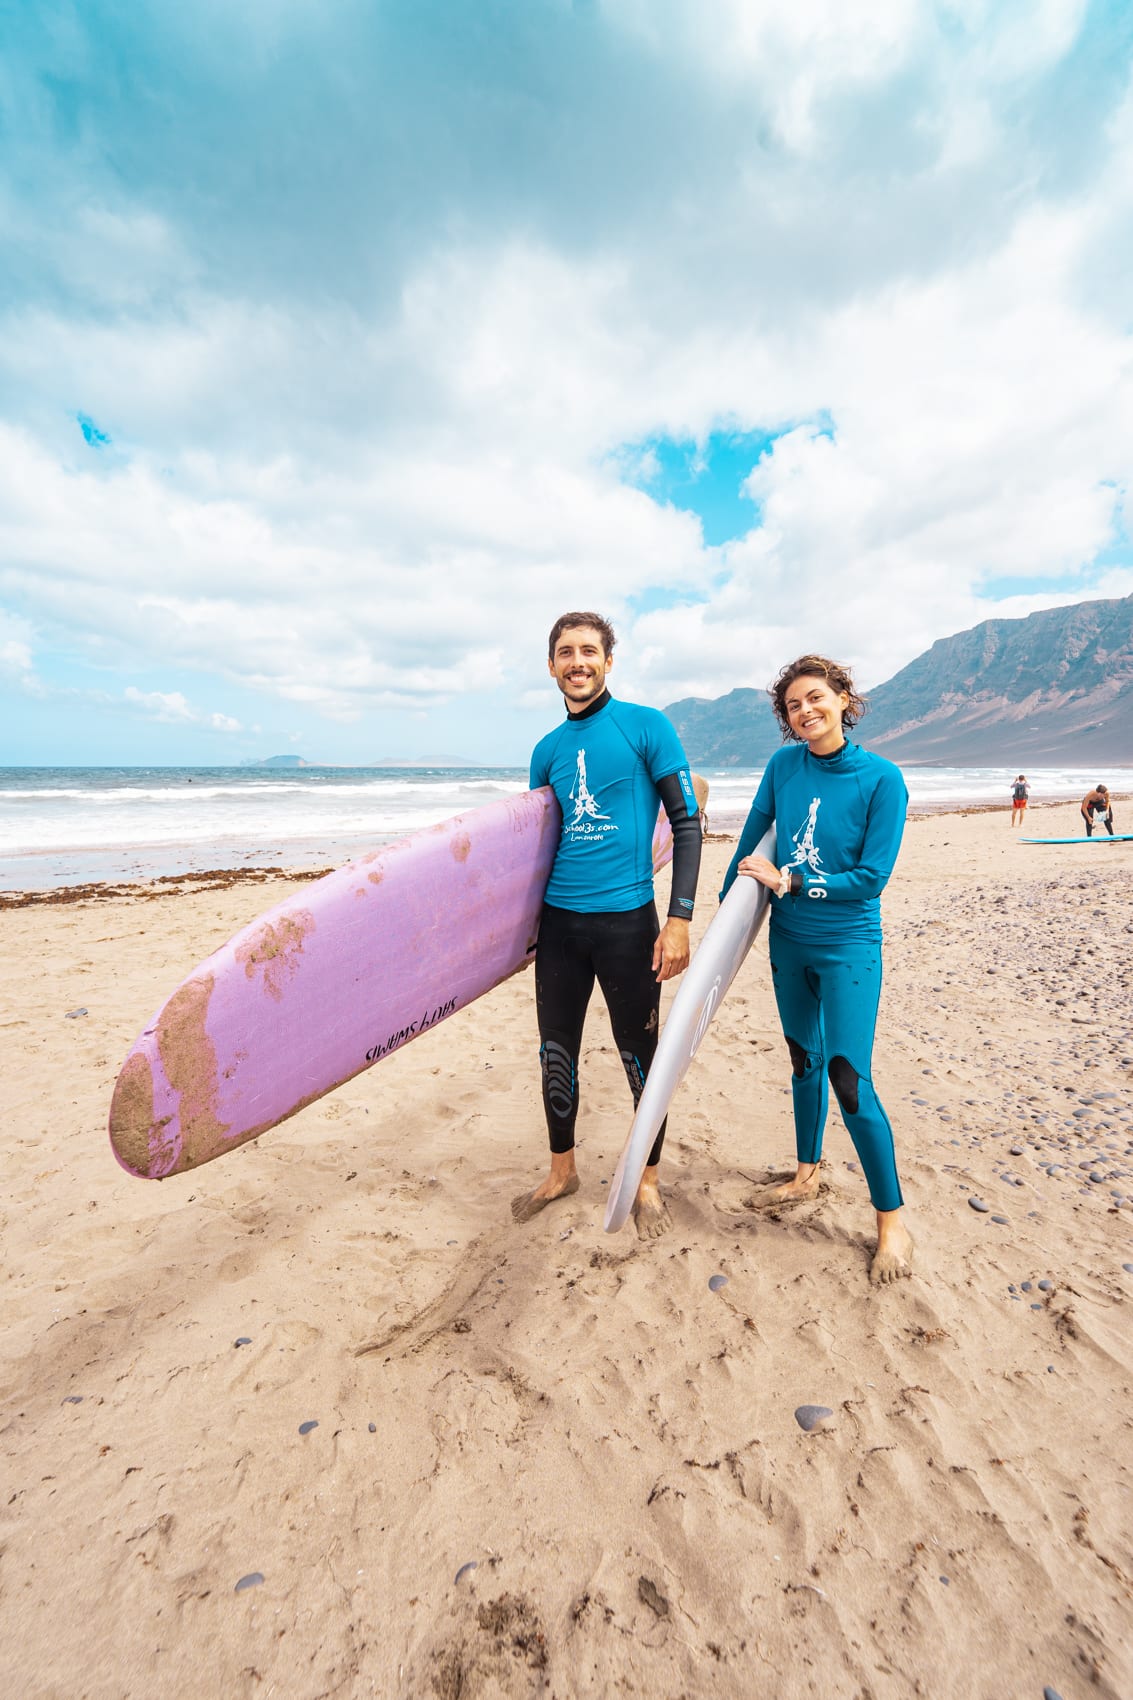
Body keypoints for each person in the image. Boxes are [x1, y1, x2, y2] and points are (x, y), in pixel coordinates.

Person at [720, 654, 913, 1284]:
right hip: (789, 944)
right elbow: (752, 844)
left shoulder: (882, 780)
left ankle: (892, 1222)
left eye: (815, 698)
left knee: (848, 1080)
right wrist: (720, 924)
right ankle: (806, 1173)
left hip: (848, 947)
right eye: (793, 705)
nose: (805, 710)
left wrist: (794, 881)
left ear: (843, 698)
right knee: (803, 1058)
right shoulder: (783, 767)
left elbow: (871, 880)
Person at [513, 612, 702, 1239]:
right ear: (551, 665)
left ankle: (646, 1176)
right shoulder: (546, 750)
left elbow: (686, 824)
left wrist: (678, 921)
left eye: (588, 651)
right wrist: (519, 937)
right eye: (565, 652)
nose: (577, 662)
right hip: (560, 928)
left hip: (628, 924)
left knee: (639, 1055)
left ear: (609, 660)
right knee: (555, 1049)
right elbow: (534, 849)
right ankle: (561, 1170)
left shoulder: (646, 727)